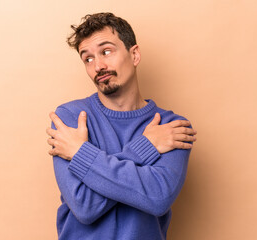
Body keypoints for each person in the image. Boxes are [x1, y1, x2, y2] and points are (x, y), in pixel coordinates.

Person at [46, 12, 197, 240]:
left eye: (106, 52)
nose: (98, 66)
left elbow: (157, 198)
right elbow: (84, 206)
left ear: (134, 54)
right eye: (88, 59)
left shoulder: (171, 127)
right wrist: (145, 146)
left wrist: (80, 152)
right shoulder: (69, 118)